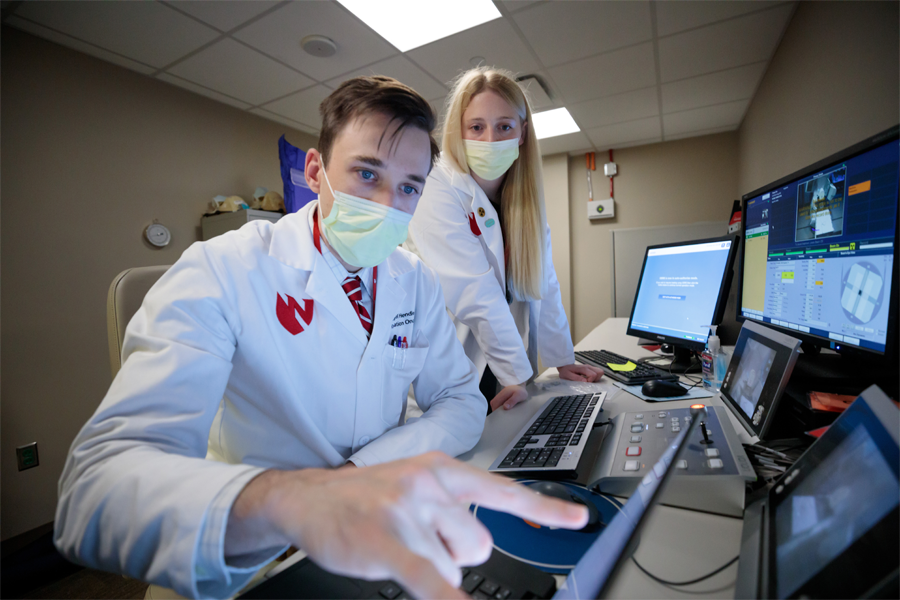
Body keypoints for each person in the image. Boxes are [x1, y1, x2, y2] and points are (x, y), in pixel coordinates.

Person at [53, 76, 587, 600]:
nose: (386, 202)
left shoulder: (413, 279)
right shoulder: (223, 268)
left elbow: (461, 403)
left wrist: (358, 477)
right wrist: (289, 503)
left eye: (408, 187)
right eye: (365, 173)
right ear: (315, 170)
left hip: (372, 527)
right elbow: (96, 491)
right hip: (249, 561)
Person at [406, 67, 604, 413]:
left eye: (504, 127)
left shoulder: (524, 200)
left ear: (522, 134)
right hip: (451, 362)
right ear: (459, 130)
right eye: (477, 127)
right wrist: (516, 374)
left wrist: (562, 358)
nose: (490, 141)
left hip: (503, 367)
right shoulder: (437, 186)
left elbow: (545, 283)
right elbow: (474, 293)